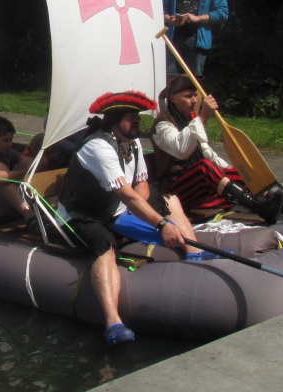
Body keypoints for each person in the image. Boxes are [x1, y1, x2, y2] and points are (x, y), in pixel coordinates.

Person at [58, 91, 210, 346]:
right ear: (114, 120)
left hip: (116, 209)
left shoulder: (133, 142)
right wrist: (160, 224)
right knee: (105, 245)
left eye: (137, 115)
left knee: (169, 199)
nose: (138, 120)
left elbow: (141, 186)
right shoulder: (98, 146)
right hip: (82, 214)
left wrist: (143, 213)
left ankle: (193, 252)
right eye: (131, 116)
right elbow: (126, 194)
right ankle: (113, 323)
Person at [152, 75, 283, 224]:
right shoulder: (162, 124)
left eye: (196, 95)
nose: (194, 101)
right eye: (188, 96)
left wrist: (229, 169)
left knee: (245, 173)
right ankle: (258, 207)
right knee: (204, 167)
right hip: (176, 192)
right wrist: (203, 116)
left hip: (201, 185)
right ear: (173, 98)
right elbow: (181, 150)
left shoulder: (190, 120)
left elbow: (206, 151)